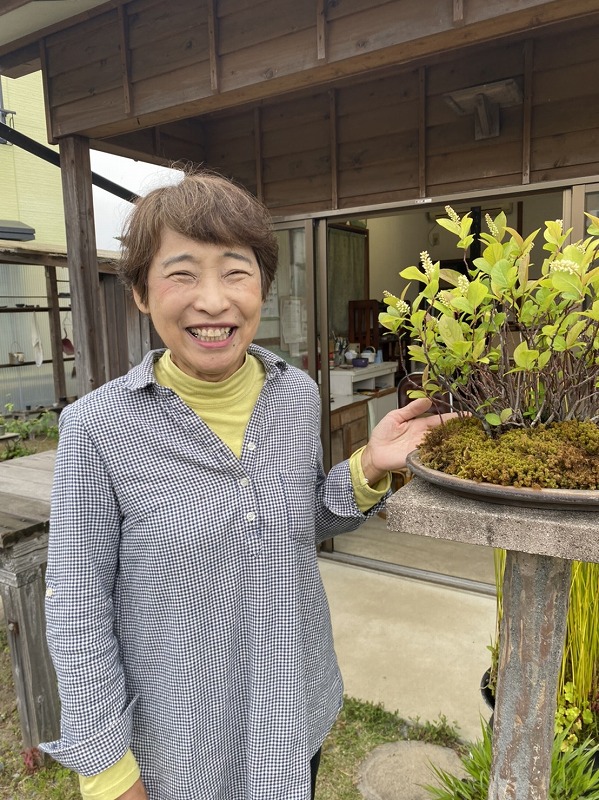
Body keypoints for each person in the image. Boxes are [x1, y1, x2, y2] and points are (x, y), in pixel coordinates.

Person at [40, 171, 452, 800]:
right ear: (142, 294)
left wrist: (370, 465)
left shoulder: (293, 394)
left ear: (261, 285)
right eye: (182, 273)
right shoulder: (98, 427)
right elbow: (78, 609)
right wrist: (107, 769)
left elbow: (299, 522)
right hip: (179, 737)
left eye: (235, 271)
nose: (212, 300)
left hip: (291, 705)